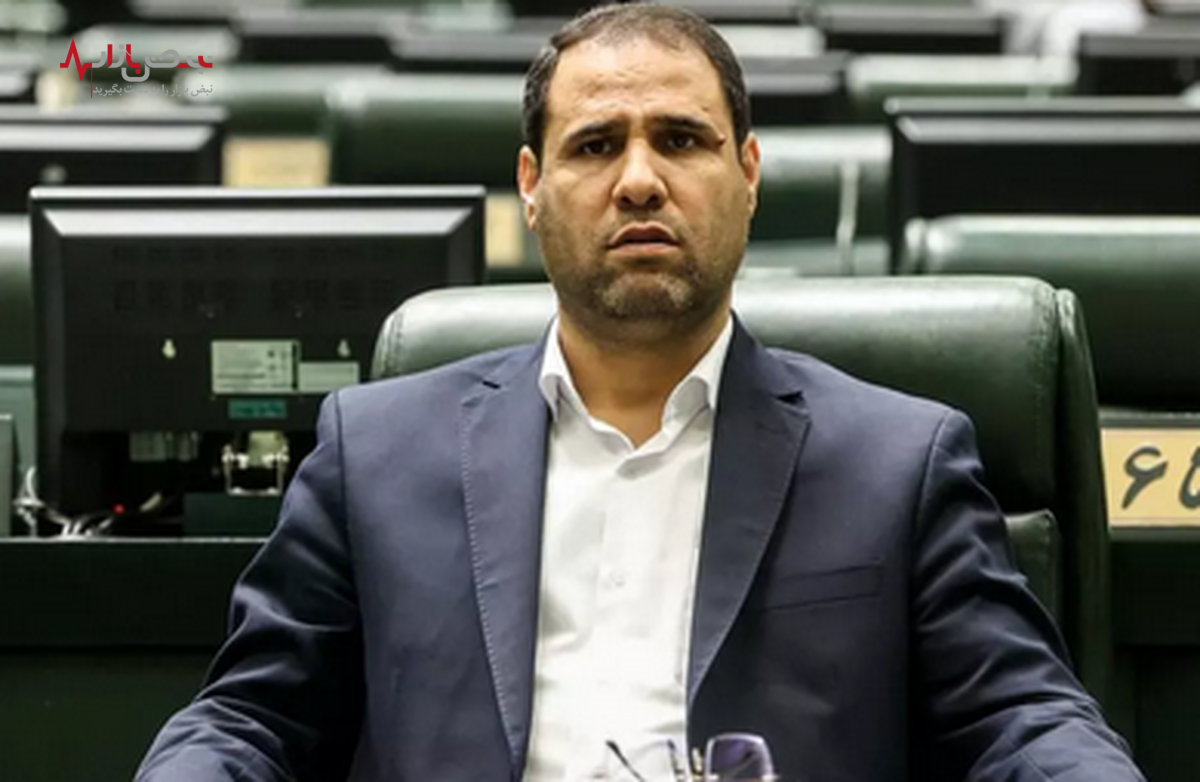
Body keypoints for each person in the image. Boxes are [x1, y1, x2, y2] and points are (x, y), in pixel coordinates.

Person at [136, 4, 1145, 781]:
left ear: (749, 174)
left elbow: (1024, 719)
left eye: (682, 139)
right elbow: (250, 720)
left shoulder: (899, 460)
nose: (639, 180)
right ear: (530, 187)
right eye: (594, 145)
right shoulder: (378, 450)